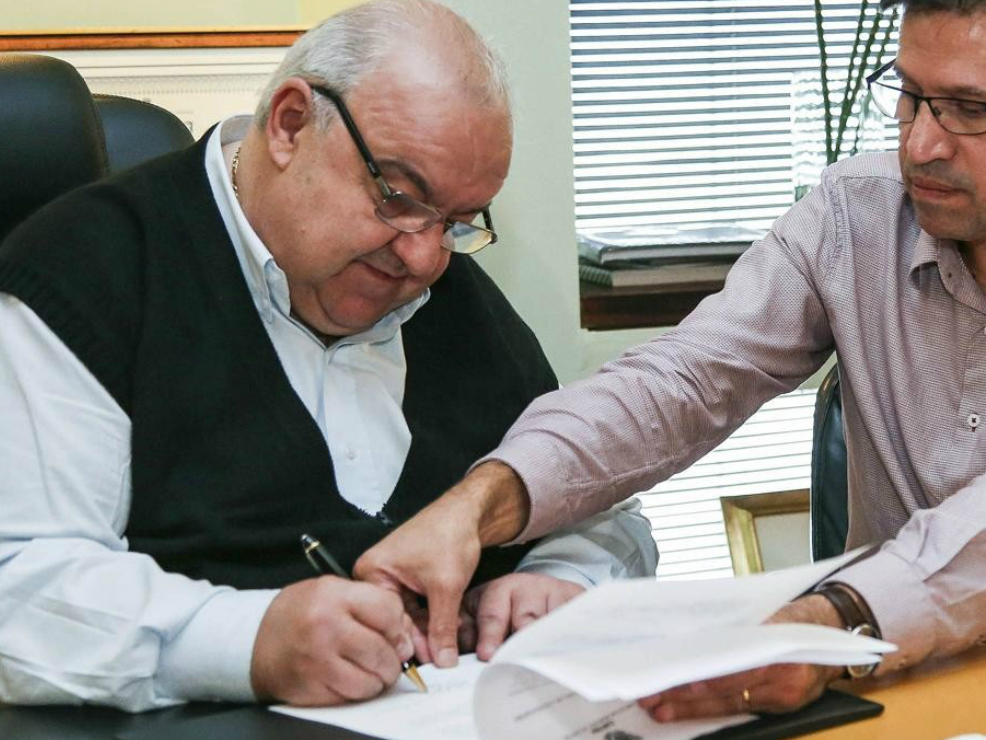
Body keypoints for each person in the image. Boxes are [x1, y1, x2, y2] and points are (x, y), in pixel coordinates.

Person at [0, 0, 657, 712]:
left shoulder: (451, 297)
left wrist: (563, 579)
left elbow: (601, 511)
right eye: (399, 198)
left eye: (457, 222)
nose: (426, 256)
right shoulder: (84, 276)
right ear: (291, 124)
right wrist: (250, 642)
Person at [355, 0, 986, 721]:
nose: (921, 144)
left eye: (969, 110)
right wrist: (478, 505)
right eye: (910, 95)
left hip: (866, 647)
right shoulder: (855, 218)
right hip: (890, 694)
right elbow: (682, 381)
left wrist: (830, 620)